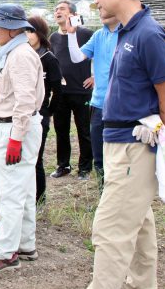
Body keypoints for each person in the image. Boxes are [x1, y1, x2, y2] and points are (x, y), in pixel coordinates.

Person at [87, 0, 165, 288]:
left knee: (111, 228)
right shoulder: (124, 32)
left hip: (136, 145)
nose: (96, 0)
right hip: (119, 141)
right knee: (139, 224)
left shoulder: (148, 34)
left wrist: (161, 132)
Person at [0, 3, 44, 272]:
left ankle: (5, 253)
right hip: (19, 126)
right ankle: (25, 244)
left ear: (12, 27)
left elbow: (25, 99)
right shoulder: (15, 52)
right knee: (24, 190)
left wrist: (16, 137)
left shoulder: (19, 56)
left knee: (9, 193)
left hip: (15, 127)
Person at [66, 11, 120, 193]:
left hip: (121, 105)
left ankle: (118, 194)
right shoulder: (99, 35)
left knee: (120, 155)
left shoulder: (129, 33)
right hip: (98, 105)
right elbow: (76, 57)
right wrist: (71, 34)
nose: (102, 11)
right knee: (99, 155)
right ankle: (104, 193)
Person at [50, 0, 94, 181]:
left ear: (73, 14)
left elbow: (101, 56)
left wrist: (95, 77)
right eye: (56, 9)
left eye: (62, 9)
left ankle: (85, 167)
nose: (57, 11)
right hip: (61, 92)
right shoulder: (53, 37)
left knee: (84, 129)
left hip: (82, 89)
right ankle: (63, 165)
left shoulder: (86, 33)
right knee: (61, 130)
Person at [27, 15, 62, 204]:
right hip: (22, 114)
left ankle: (39, 199)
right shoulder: (22, 55)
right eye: (24, 30)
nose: (27, 35)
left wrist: (47, 112)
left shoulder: (49, 59)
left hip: (40, 115)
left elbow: (58, 90)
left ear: (39, 33)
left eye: (31, 31)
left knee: (36, 159)